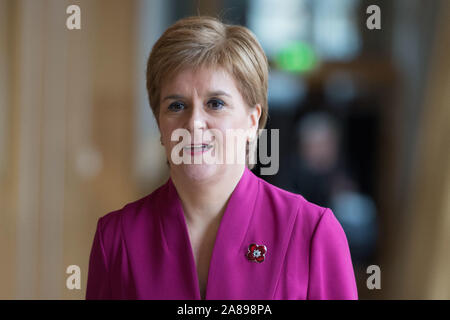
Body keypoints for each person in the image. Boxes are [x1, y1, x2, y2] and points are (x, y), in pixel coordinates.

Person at [85, 16, 358, 300]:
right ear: (159, 123)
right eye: (177, 105)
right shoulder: (116, 237)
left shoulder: (312, 232)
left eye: (215, 104)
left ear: (253, 121)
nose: (194, 123)